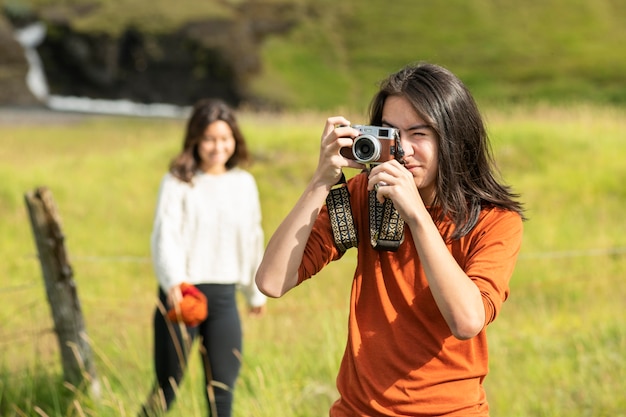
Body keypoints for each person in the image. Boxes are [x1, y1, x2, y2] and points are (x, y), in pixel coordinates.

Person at [255, 62, 525, 416]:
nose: (404, 150)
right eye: (391, 135)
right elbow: (272, 281)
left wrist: (415, 214)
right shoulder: (367, 195)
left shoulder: (494, 221)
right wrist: (321, 179)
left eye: (419, 134)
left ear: (454, 138)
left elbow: (466, 321)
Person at [140, 98, 267, 417]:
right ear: (195, 139)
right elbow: (164, 235)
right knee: (167, 388)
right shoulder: (177, 182)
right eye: (209, 138)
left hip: (225, 299)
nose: (217, 147)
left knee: (222, 393)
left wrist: (255, 292)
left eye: (225, 138)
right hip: (184, 295)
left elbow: (253, 238)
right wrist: (173, 282)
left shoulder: (244, 184)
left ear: (234, 140)